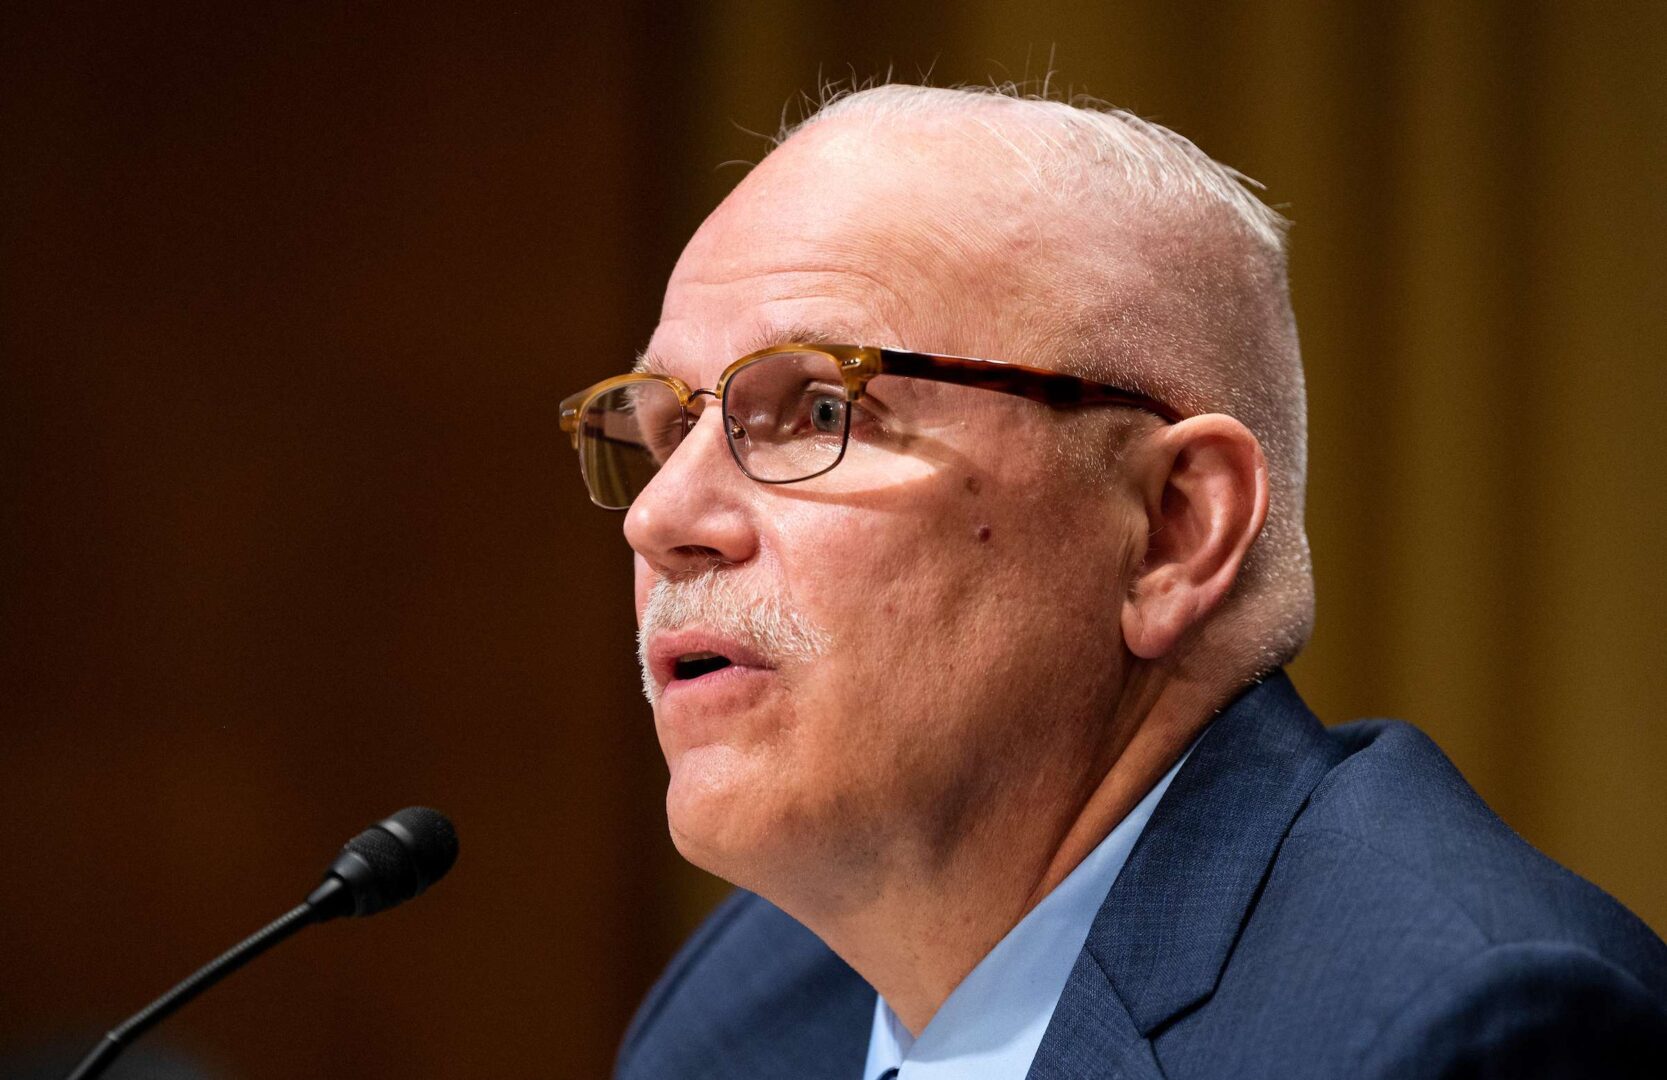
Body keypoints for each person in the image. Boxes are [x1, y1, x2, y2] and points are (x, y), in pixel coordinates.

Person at [559, 84, 1667, 1078]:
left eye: (820, 412)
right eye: (664, 431)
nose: (661, 520)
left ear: (1170, 529)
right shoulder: (740, 1016)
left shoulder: (1457, 1031)